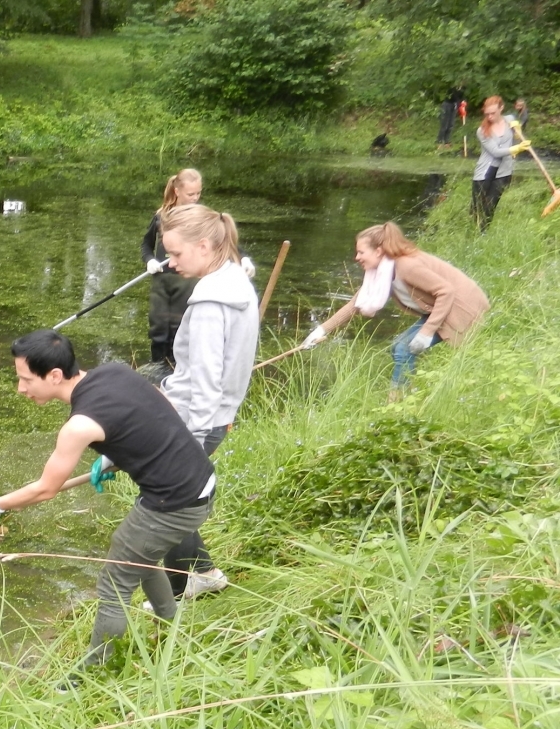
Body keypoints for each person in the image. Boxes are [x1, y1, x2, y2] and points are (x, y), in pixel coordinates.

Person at [0, 330, 216, 676]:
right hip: (200, 482)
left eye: (25, 380)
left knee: (114, 582)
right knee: (139, 556)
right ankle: (172, 629)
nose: (20, 389)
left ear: (53, 375)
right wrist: (116, 456)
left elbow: (45, 489)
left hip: (174, 503)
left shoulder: (79, 426)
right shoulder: (114, 372)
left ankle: (92, 673)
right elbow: (162, 409)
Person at [157, 204, 259, 601]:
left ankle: (187, 585)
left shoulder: (209, 302)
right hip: (216, 412)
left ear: (203, 245)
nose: (170, 262)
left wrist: (192, 440)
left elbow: (204, 379)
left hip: (198, 418)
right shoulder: (234, 280)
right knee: (169, 498)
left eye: (177, 253)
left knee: (165, 505)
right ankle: (201, 573)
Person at [301, 222, 489, 397]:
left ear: (378, 251)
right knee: (398, 346)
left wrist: (426, 332)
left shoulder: (406, 266)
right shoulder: (381, 273)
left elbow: (446, 292)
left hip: (461, 308)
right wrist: (319, 331)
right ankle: (408, 394)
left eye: (360, 252)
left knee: (404, 349)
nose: (356, 257)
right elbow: (354, 305)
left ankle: (397, 403)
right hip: (440, 309)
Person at [139, 169, 202, 379]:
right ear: (177, 191)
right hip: (161, 279)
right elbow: (146, 245)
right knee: (158, 327)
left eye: (198, 194)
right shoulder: (161, 215)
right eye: (190, 194)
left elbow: (223, 242)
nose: (194, 199)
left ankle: (179, 371)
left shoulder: (201, 217)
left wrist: (243, 258)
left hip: (187, 280)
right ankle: (157, 369)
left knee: (180, 327)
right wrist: (150, 261)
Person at [472, 95, 519, 230]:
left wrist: (518, 131)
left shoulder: (510, 120)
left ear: (501, 108)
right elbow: (496, 152)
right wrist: (515, 149)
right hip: (485, 172)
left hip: (504, 171)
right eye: (487, 114)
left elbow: (516, 135)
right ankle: (474, 235)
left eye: (493, 113)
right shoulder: (482, 131)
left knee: (491, 206)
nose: (490, 117)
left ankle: (483, 234)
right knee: (478, 207)